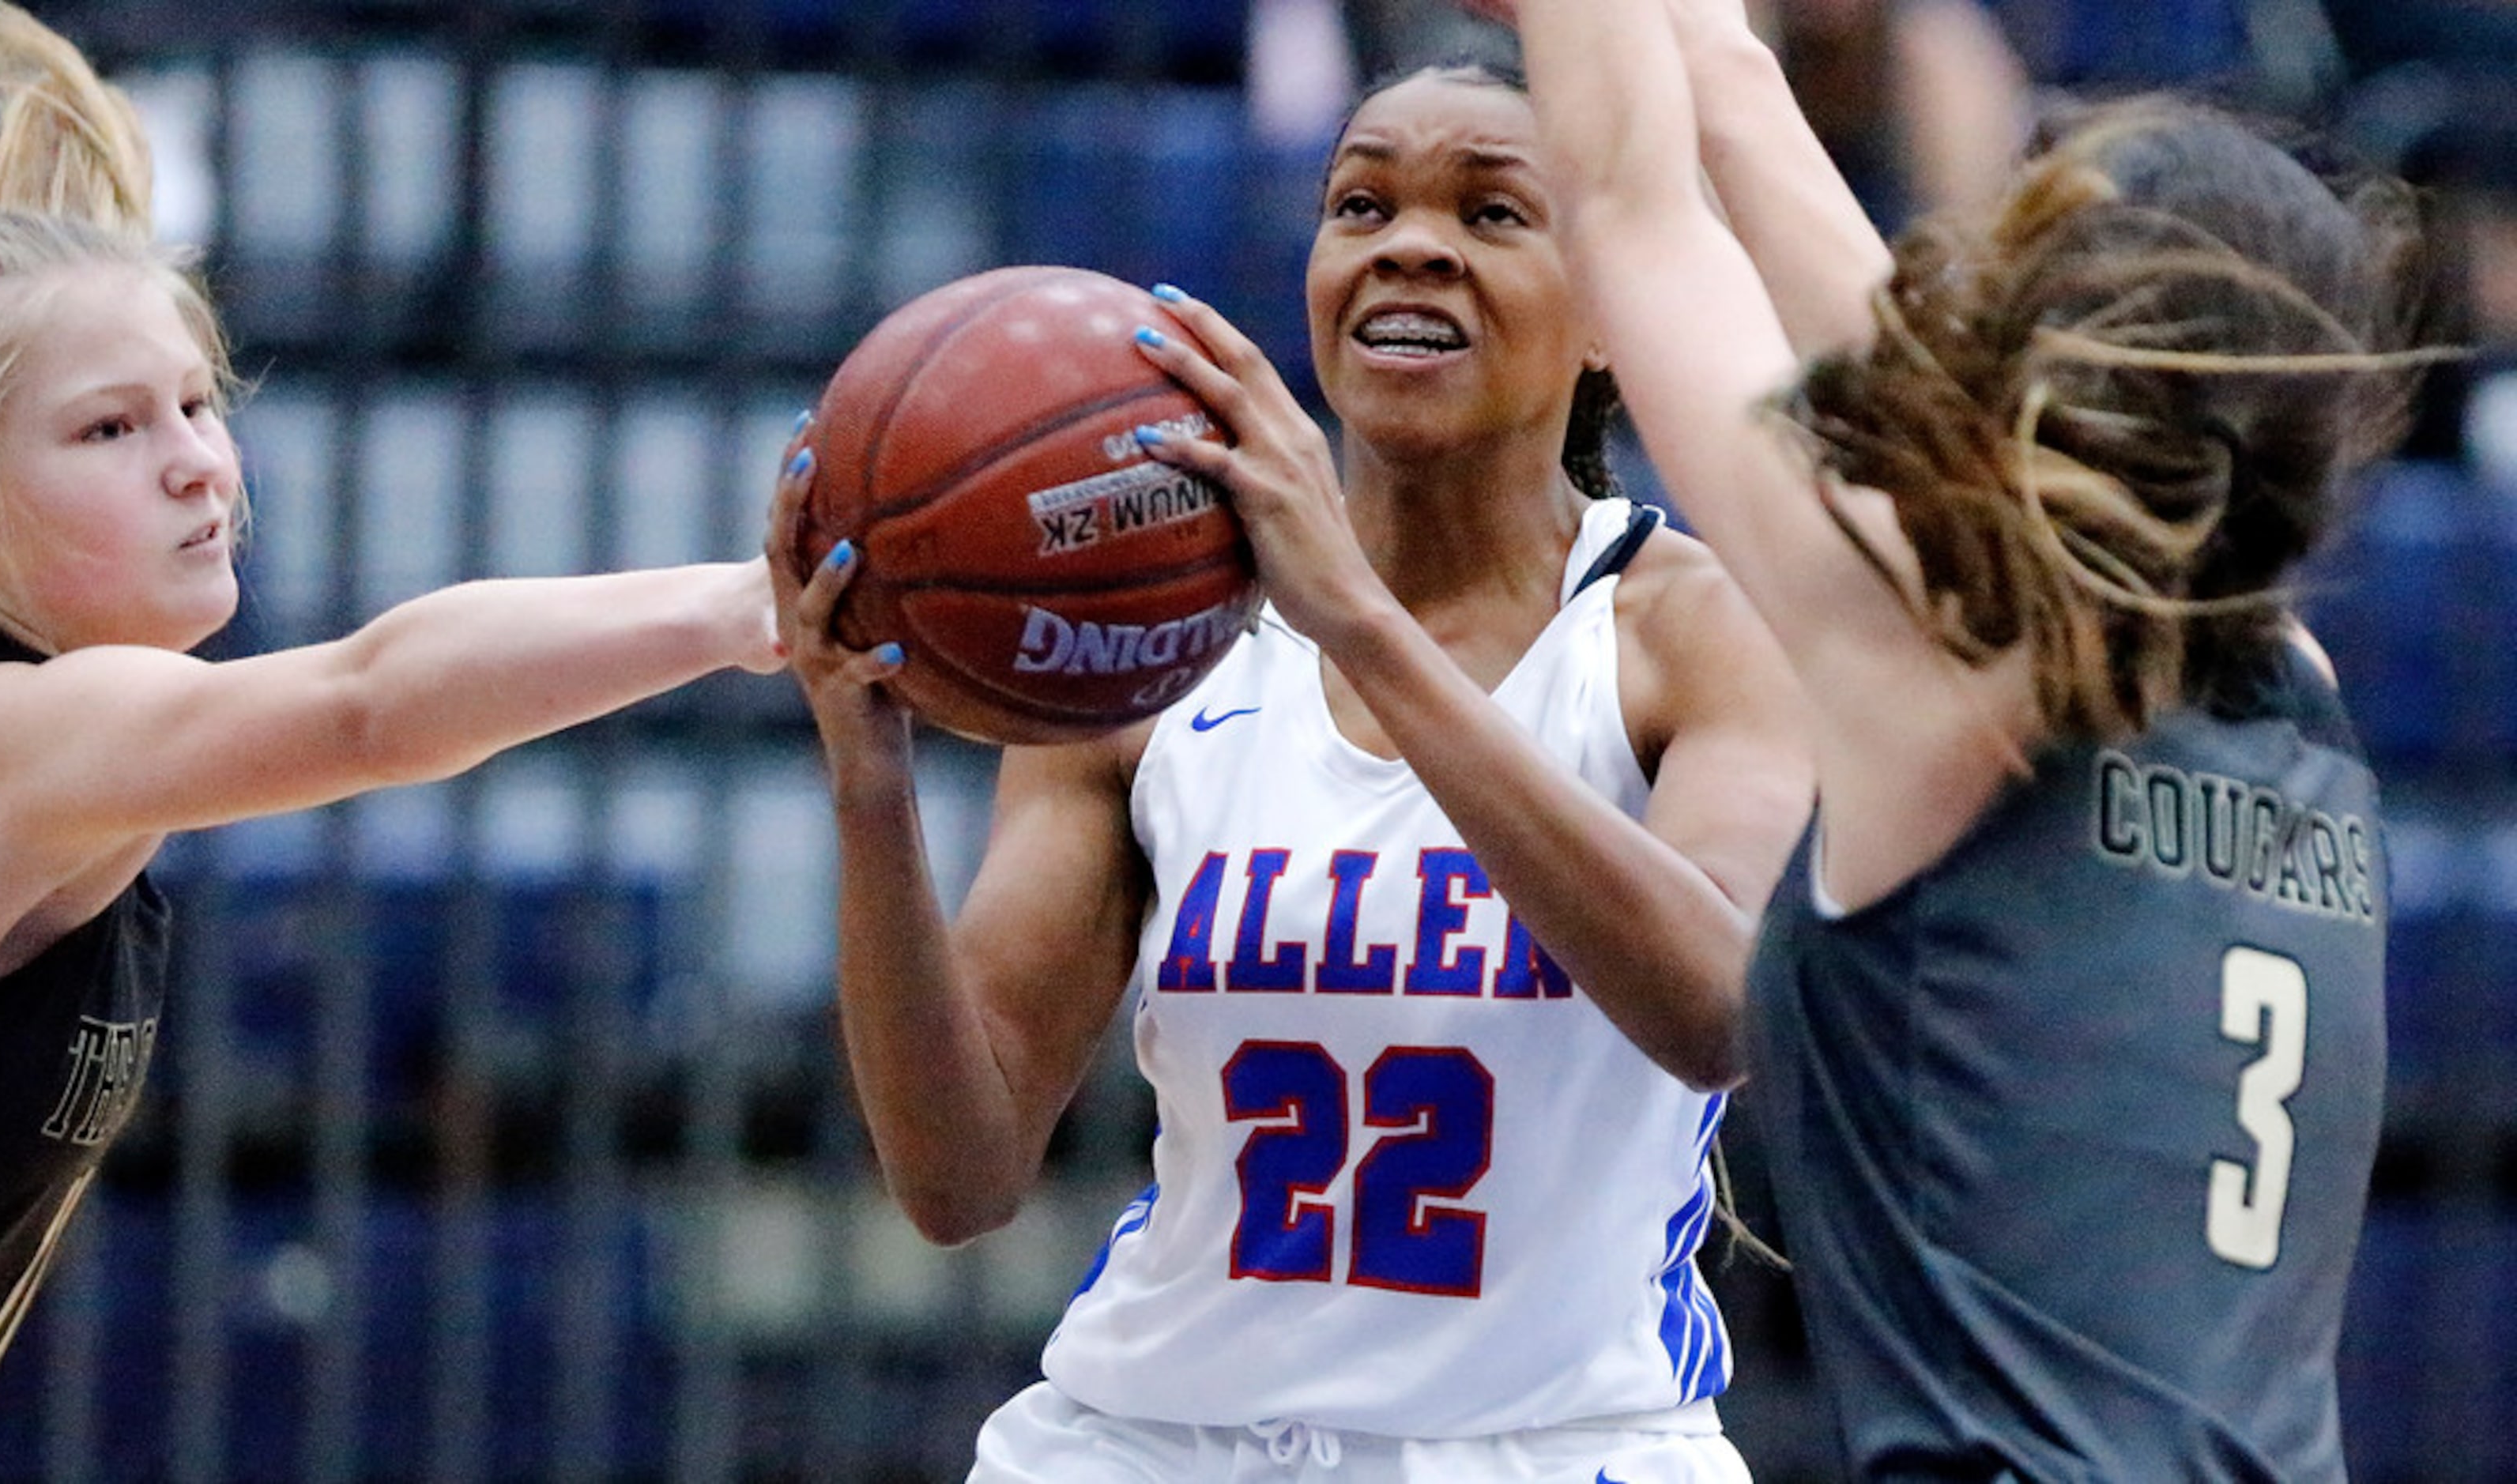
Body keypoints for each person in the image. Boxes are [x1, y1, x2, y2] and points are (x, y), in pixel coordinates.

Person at [767, 61, 1815, 1484]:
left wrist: (1364, 629)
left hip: (1548, 1446)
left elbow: (1720, 1011)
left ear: (1614, 323)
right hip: (1148, 1442)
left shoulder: (1697, 629)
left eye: (1496, 212)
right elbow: (959, 1175)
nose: (1411, 242)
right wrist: (871, 786)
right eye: (1361, 202)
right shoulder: (1140, 651)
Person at [1472, 0, 2430, 1475]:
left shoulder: (1942, 659)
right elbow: (1921, 405)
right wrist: (1708, 47)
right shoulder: (2296, 692)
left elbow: (1630, 217)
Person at [0, 0, 782, 1407]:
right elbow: (369, 702)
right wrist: (742, 606)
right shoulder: (20, 733)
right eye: (111, 427)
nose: (196, 465)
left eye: (198, 403)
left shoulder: (81, 738)